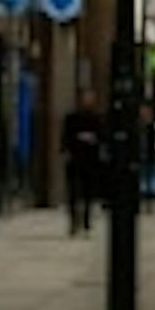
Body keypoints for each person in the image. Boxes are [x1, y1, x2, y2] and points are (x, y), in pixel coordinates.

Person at [59, 94, 105, 236]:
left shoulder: (96, 118)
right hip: (75, 158)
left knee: (88, 192)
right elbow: (65, 137)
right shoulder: (71, 118)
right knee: (73, 191)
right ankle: (74, 221)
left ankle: (86, 220)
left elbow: (102, 136)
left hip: (90, 160)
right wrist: (66, 149)